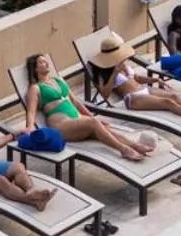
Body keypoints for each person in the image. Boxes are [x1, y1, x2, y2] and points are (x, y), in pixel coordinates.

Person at [86, 32, 181, 132]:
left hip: (143, 89)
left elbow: (136, 79)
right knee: (168, 103)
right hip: (132, 99)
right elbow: (105, 94)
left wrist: (154, 79)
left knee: (174, 97)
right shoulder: (103, 72)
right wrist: (114, 72)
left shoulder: (123, 64)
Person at [22, 54, 154, 161]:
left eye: (46, 61)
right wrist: (30, 128)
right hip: (62, 126)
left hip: (77, 120)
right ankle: (124, 150)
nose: (46, 63)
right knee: (94, 123)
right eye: (41, 62)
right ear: (35, 69)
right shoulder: (35, 88)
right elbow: (31, 112)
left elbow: (76, 102)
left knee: (104, 128)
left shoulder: (58, 81)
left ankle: (134, 145)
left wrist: (92, 117)